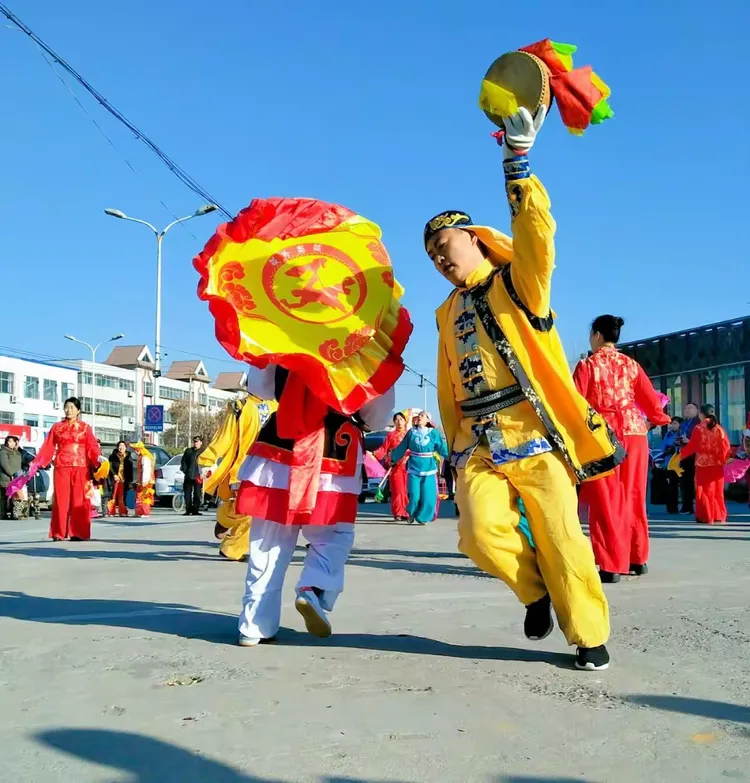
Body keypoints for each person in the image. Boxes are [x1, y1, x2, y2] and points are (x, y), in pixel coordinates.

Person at [429, 107, 624, 671]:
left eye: (447, 244)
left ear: (475, 238)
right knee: (478, 534)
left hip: (535, 433)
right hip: (480, 442)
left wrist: (518, 164)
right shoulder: (445, 312)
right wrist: (455, 445)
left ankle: (588, 634)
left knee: (563, 538)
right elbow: (446, 387)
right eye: (433, 254)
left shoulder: (518, 283)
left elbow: (536, 235)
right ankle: (534, 593)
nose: (441, 257)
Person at [234, 365, 394, 647]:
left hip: (283, 438)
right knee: (332, 535)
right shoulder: (363, 337)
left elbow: (259, 386)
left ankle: (254, 624)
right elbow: (377, 414)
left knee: (268, 540)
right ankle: (313, 588)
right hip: (335, 445)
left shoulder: (280, 325)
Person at [574, 315, 671, 582]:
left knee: (606, 500)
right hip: (635, 433)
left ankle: (610, 564)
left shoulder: (588, 365)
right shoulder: (631, 365)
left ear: (596, 335)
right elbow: (652, 401)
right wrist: (656, 420)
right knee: (634, 495)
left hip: (604, 436)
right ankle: (637, 558)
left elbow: (575, 405)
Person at [28, 397, 102, 541]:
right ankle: (59, 532)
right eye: (67, 407)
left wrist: (98, 458)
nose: (69, 410)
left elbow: (91, 446)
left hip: (81, 466)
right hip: (61, 466)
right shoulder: (57, 427)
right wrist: (37, 462)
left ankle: (79, 532)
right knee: (61, 500)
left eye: (72, 407)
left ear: (78, 411)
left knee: (79, 501)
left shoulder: (85, 427)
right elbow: (48, 446)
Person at [390, 411, 448, 524]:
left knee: (429, 496)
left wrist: (452, 457)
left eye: (422, 415)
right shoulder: (411, 432)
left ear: (428, 420)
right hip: (414, 467)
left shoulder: (433, 433)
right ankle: (411, 512)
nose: (419, 417)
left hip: (429, 468)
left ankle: (423, 518)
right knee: (414, 495)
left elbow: (442, 448)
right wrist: (394, 458)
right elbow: (402, 446)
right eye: (419, 415)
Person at [679, 404, 731, 524]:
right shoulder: (719, 428)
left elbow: (692, 446)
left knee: (704, 490)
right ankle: (718, 515)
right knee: (717, 490)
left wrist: (680, 455)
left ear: (702, 414)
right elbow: (726, 447)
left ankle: (706, 515)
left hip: (703, 464)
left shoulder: (699, 428)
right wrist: (723, 459)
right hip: (717, 464)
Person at [374, 411, 410, 520]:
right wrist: (374, 453)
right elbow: (384, 449)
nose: (399, 422)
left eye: (401, 420)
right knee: (398, 489)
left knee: (407, 489)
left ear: (405, 421)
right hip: (396, 466)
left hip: (409, 465)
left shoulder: (410, 434)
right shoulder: (391, 435)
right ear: (394, 422)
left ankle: (407, 511)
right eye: (397, 420)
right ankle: (398, 512)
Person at [651, 417, 683, 514]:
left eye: (675, 423)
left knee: (682, 486)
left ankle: (683, 506)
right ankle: (671, 507)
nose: (673, 425)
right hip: (669, 463)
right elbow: (663, 447)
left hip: (680, 464)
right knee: (671, 486)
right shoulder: (668, 434)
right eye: (672, 423)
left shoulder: (682, 434)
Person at [678, 403, 701, 514]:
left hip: (696, 455)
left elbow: (702, 439)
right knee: (684, 481)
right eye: (686, 408)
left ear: (697, 411)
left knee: (694, 482)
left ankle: (698, 506)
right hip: (684, 454)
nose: (687, 410)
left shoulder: (699, 423)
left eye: (690, 408)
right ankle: (686, 506)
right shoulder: (683, 423)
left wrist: (690, 441)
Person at [180, 436, 205, 516]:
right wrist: (185, 470)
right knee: (187, 493)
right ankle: (188, 509)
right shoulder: (188, 451)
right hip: (189, 476)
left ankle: (195, 510)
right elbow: (183, 461)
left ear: (201, 442)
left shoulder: (204, 452)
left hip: (198, 476)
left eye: (197, 442)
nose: (196, 443)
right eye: (194, 442)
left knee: (197, 494)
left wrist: (203, 473)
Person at [0, 435, 23, 520]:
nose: (12, 443)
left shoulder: (17, 452)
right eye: (10, 441)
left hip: (16, 477)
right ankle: (3, 513)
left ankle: (14, 514)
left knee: (15, 496)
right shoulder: (3, 452)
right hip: (6, 477)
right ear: (6, 442)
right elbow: (5, 465)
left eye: (14, 441)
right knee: (5, 497)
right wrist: (11, 474)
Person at [108, 441, 133, 517]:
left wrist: (129, 481)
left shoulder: (128, 456)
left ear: (125, 448)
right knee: (113, 495)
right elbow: (110, 466)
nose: (121, 447)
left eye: (122, 446)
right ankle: (110, 511)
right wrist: (114, 475)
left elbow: (130, 469)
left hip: (124, 479)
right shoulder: (113, 456)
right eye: (119, 445)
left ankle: (122, 511)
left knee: (122, 496)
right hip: (115, 479)